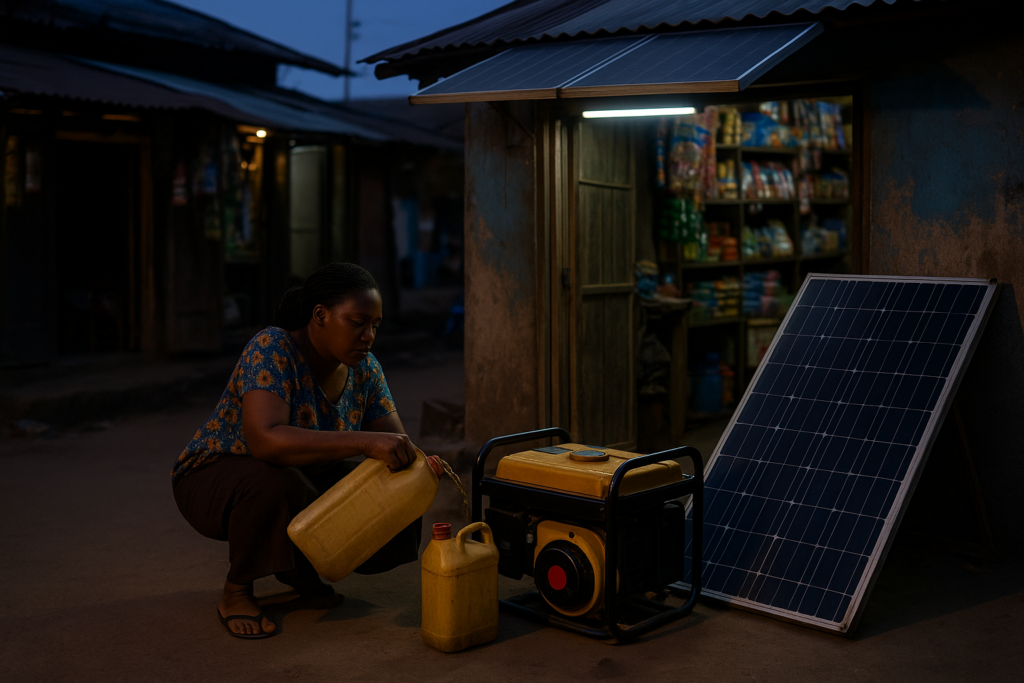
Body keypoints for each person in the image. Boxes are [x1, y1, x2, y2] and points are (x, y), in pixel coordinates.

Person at [171, 262, 422, 639]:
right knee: (274, 481)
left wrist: (417, 465)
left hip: (299, 476)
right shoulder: (273, 347)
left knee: (397, 477)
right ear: (320, 315)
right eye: (358, 322)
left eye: (375, 326)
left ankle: (296, 566)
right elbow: (265, 441)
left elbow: (396, 444)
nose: (368, 335)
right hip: (214, 477)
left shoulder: (366, 369)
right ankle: (237, 589)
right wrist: (365, 441)